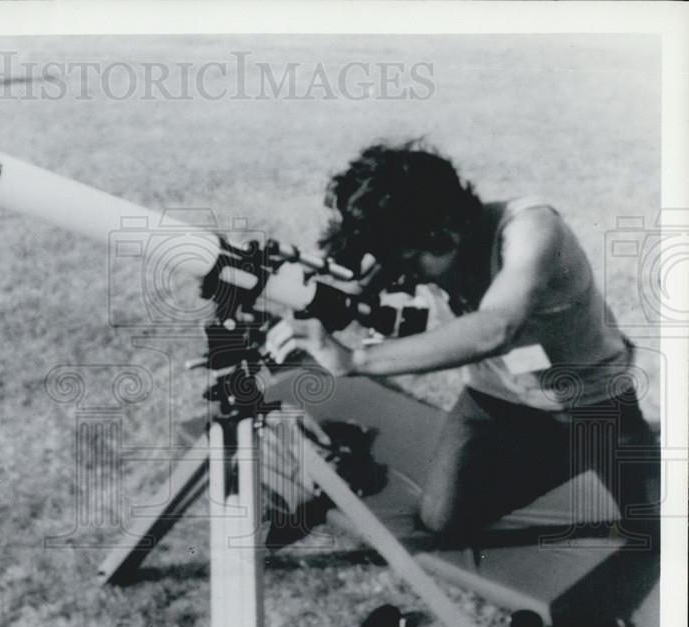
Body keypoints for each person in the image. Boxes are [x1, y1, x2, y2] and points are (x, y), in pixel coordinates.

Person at [265, 140, 657, 546]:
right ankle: (558, 454)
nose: (405, 275)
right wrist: (306, 304)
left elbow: (495, 328)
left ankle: (591, 450)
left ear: (448, 226)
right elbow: (347, 282)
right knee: (442, 521)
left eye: (411, 260)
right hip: (498, 396)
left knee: (659, 530)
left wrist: (355, 359)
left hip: (591, 398)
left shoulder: (531, 228)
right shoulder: (416, 236)